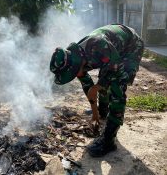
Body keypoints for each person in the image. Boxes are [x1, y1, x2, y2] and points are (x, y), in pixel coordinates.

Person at [49, 24, 144, 157]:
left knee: (117, 87)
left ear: (75, 64)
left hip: (131, 46)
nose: (77, 75)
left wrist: (99, 86)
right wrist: (95, 114)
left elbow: (115, 69)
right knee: (103, 80)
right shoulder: (77, 59)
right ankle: (103, 112)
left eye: (74, 72)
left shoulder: (98, 45)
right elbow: (89, 89)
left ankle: (109, 140)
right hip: (111, 53)